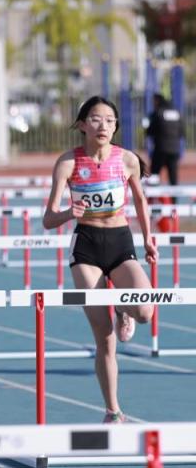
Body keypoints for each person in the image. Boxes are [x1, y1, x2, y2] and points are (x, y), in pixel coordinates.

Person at [43, 96, 157, 424]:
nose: (103, 125)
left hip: (121, 242)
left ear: (116, 126)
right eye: (95, 119)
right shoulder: (67, 163)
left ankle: (124, 307)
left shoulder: (127, 160)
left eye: (109, 120)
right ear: (82, 125)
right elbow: (48, 220)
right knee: (104, 335)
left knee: (146, 312)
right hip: (87, 248)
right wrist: (68, 213)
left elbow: (139, 198)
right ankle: (113, 410)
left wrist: (148, 237)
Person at [146, 93, 184, 187]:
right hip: (174, 149)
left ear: (158, 101)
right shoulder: (176, 112)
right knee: (173, 177)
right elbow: (182, 131)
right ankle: (174, 200)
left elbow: (150, 131)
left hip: (160, 149)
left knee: (154, 176)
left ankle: (153, 199)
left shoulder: (158, 112)